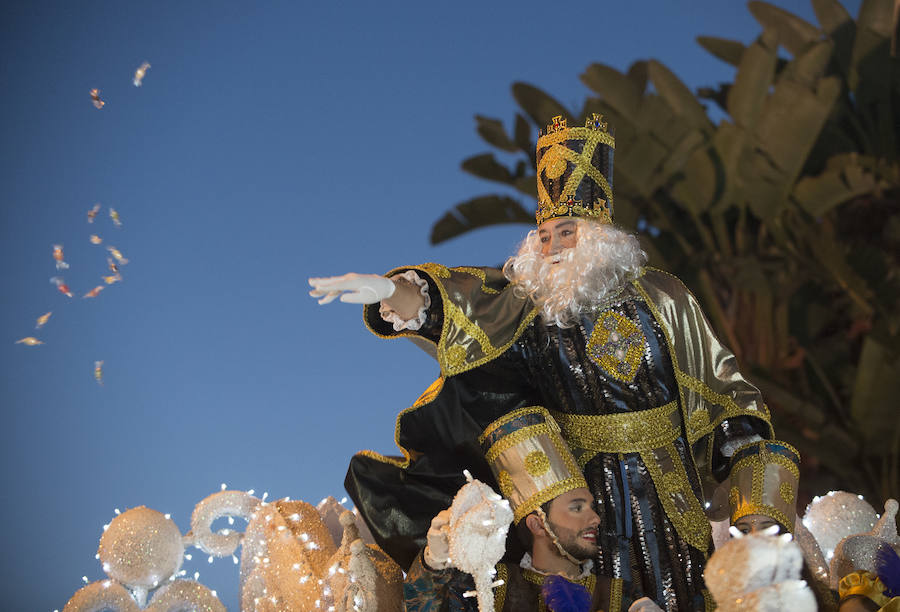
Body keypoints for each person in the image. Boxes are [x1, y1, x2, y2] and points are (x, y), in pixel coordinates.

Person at [310, 114, 774, 611]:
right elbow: (467, 306)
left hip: (666, 491)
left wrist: (759, 501)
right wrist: (393, 291)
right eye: (545, 235)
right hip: (577, 493)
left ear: (599, 234)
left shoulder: (664, 298)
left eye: (566, 232)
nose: (551, 247)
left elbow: (727, 398)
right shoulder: (532, 309)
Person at [404, 406, 659, 611]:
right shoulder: (492, 588)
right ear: (538, 523)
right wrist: (433, 563)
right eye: (577, 508)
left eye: (590, 507)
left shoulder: (617, 597)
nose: (594, 518)